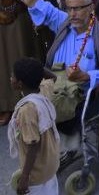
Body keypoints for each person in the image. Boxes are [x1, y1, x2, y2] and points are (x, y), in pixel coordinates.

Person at [7, 57, 60, 195]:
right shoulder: (43, 92)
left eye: (13, 76)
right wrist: (35, 67)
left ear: (19, 84)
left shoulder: (26, 110)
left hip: (36, 175)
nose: (10, 78)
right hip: (50, 167)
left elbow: (33, 144)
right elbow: (53, 77)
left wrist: (24, 177)